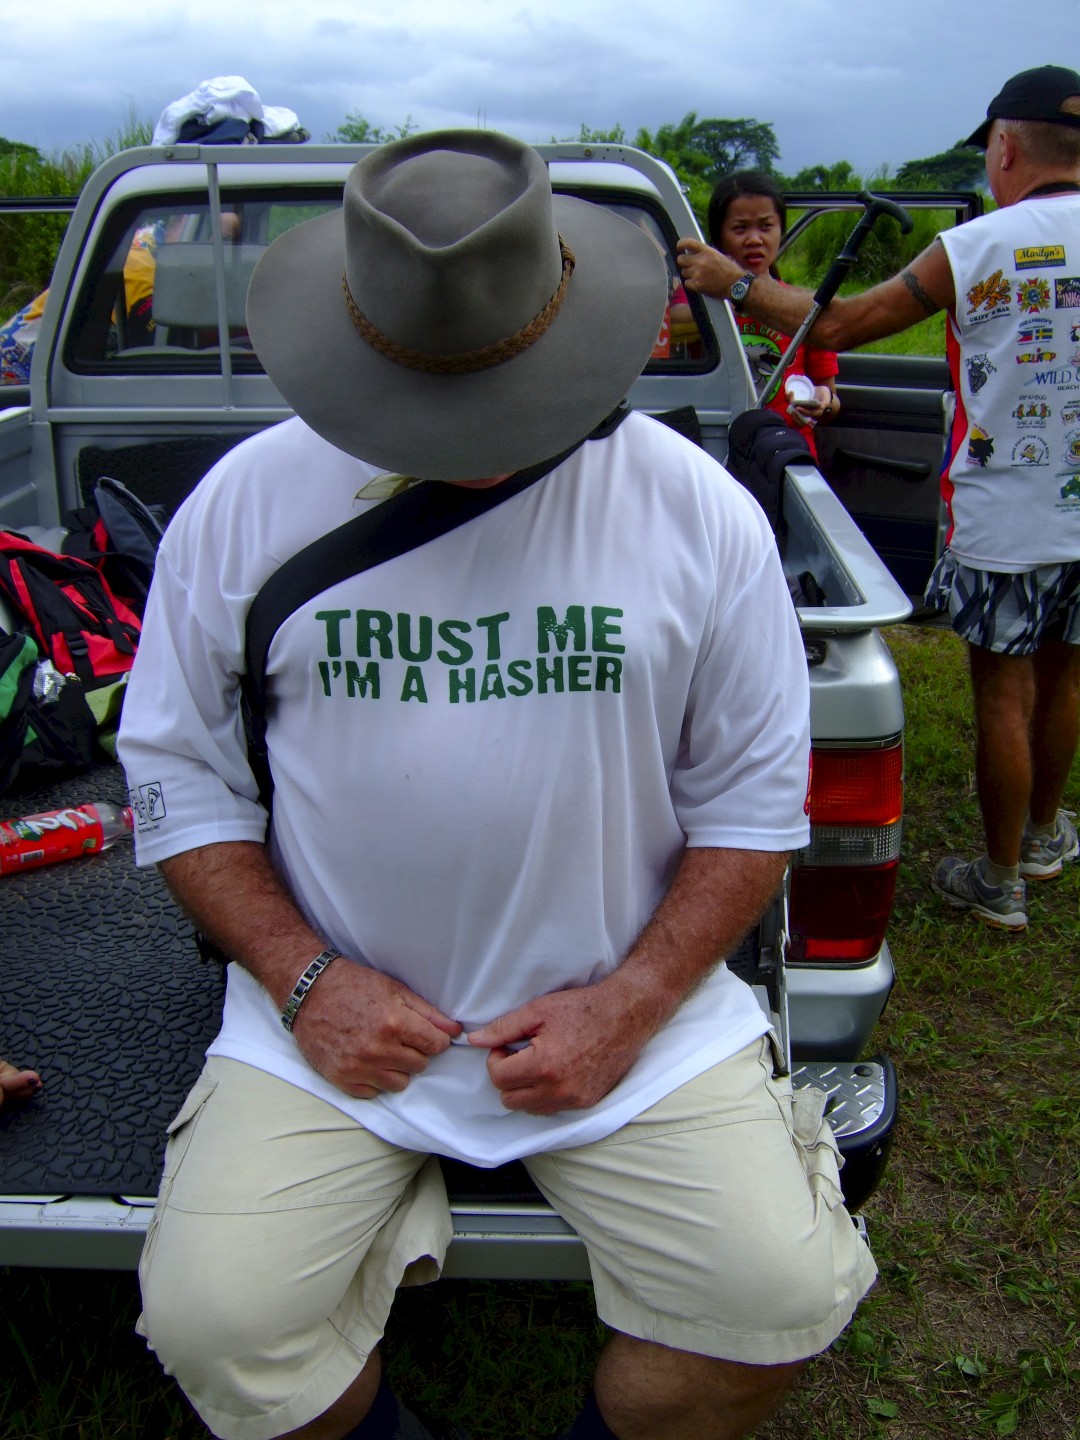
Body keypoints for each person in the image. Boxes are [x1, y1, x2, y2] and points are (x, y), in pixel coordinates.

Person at [117, 128, 875, 1440]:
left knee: (780, 1296)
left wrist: (631, 1004)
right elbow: (179, 773)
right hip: (325, 1024)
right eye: (428, 395)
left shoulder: (700, 514)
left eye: (494, 390)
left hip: (633, 1015)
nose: (470, 433)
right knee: (215, 1325)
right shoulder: (244, 504)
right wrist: (305, 980)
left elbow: (752, 812)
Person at [678, 64, 1080, 932]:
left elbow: (835, 325)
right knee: (1065, 676)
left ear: (1006, 148)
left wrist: (731, 281)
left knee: (1004, 693)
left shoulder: (979, 246)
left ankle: (1000, 879)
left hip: (1007, 518)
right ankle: (1046, 837)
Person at [705, 170, 838, 455]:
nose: (754, 239)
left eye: (766, 226)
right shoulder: (703, 310)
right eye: (740, 228)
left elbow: (832, 399)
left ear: (780, 231)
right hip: (720, 453)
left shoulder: (805, 307)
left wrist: (822, 402)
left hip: (786, 456)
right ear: (718, 237)